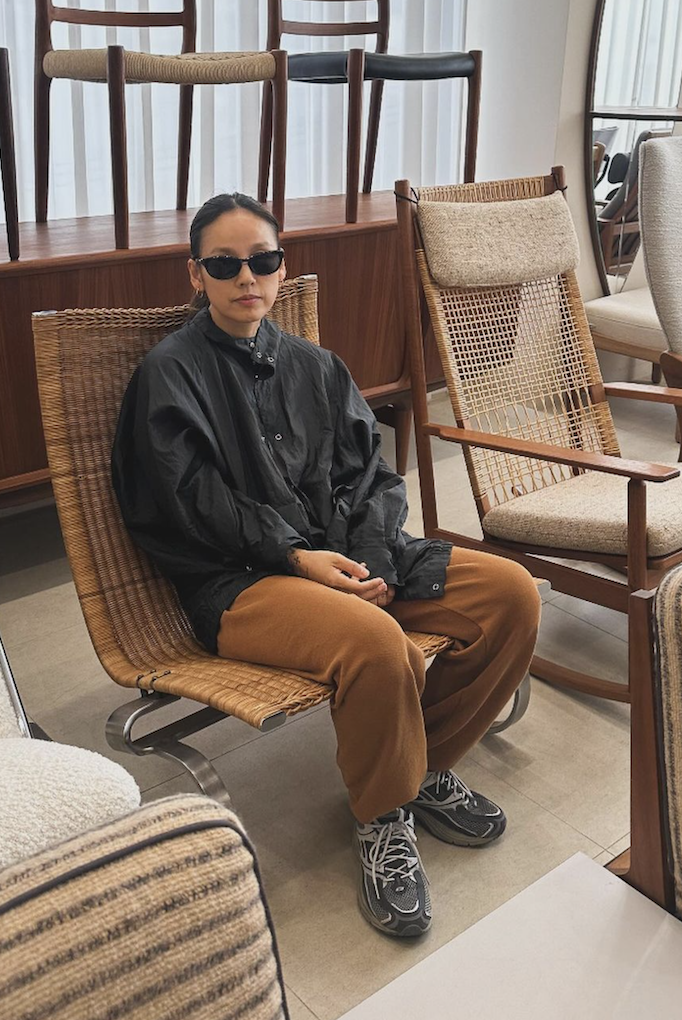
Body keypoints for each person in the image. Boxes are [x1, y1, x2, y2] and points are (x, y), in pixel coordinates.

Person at [112, 192, 541, 938]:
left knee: (510, 593)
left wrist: (371, 559)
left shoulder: (317, 366)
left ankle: (417, 769)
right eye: (225, 264)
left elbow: (370, 475)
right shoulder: (168, 374)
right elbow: (190, 502)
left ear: (283, 267)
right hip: (242, 584)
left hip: (346, 558)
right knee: (376, 643)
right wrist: (297, 556)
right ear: (196, 273)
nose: (247, 277)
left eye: (263, 260)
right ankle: (383, 816)